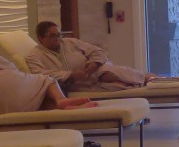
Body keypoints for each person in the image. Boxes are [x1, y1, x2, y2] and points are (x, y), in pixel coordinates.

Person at [26, 21, 156, 93]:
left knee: (108, 73)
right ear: (41, 38)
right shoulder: (35, 55)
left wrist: (94, 64)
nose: (58, 39)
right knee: (119, 86)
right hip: (75, 85)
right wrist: (70, 75)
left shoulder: (70, 42)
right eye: (52, 36)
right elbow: (40, 75)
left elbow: (98, 51)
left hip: (96, 72)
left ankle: (149, 79)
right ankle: (143, 84)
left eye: (59, 35)